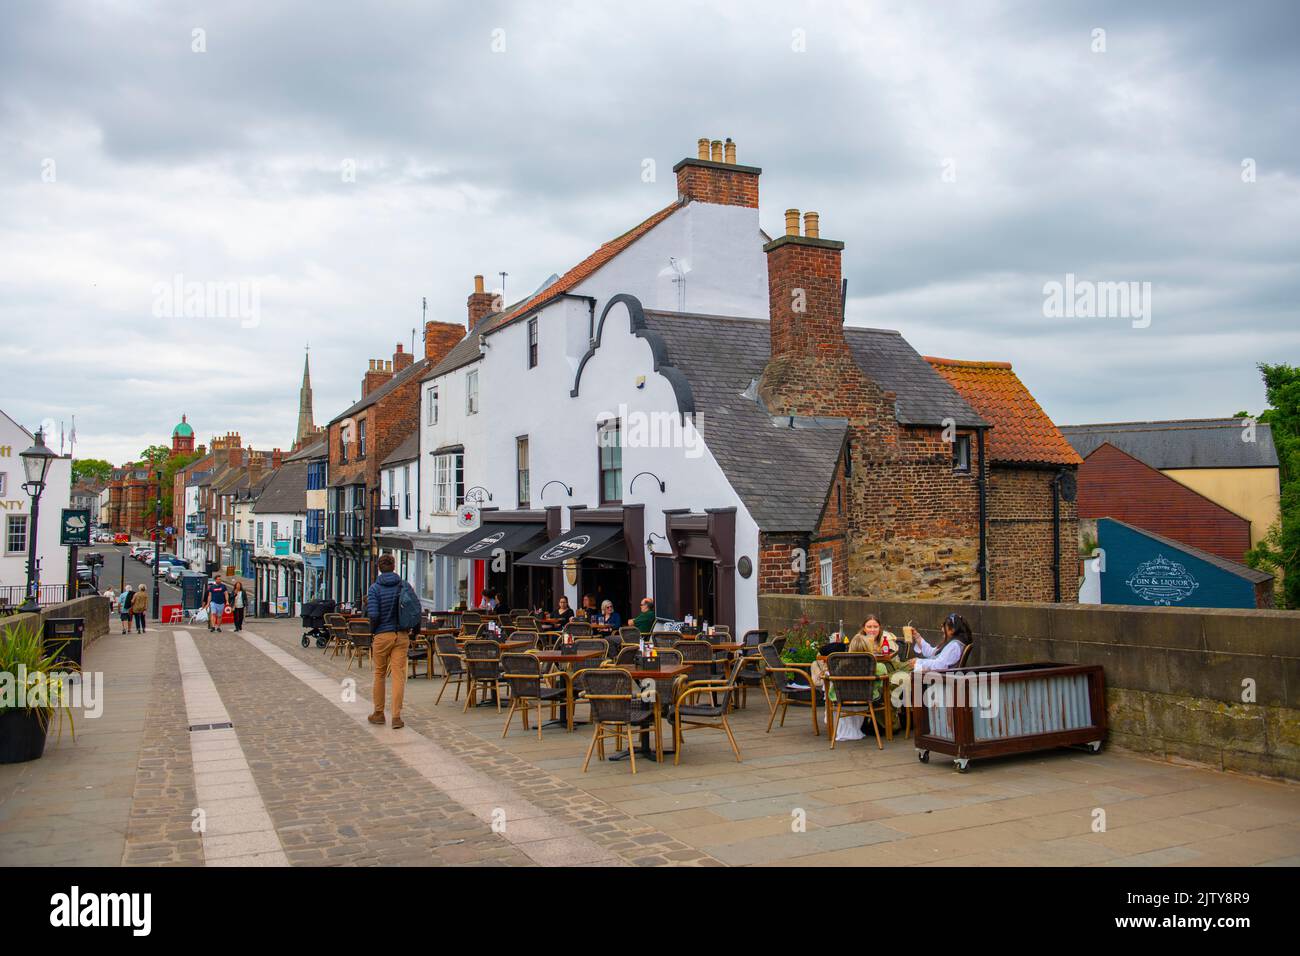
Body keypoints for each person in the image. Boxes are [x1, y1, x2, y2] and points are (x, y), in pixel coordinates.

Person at [366, 553, 419, 730]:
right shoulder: (404, 585)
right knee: (398, 675)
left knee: (380, 674)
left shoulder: (374, 589)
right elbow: (415, 609)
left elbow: (373, 615)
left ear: (379, 568)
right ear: (394, 566)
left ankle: (379, 713)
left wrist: (373, 632)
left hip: (382, 634)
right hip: (401, 635)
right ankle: (396, 716)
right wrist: (414, 632)